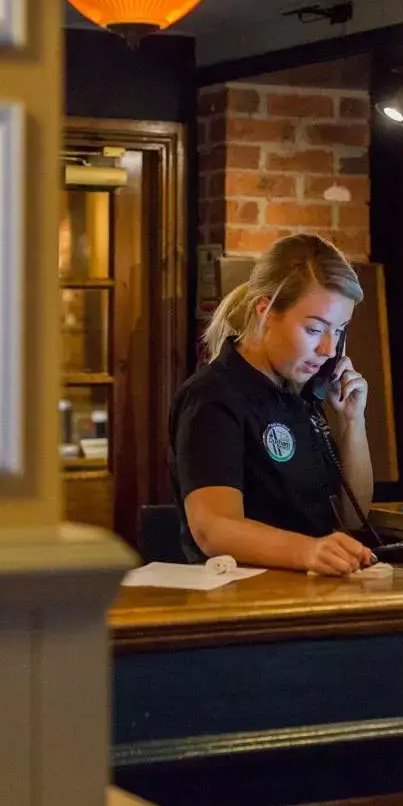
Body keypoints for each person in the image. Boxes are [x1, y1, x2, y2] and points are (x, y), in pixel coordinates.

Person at [170, 234, 376, 576]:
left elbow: (353, 517)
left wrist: (353, 423)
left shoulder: (301, 393)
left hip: (314, 591)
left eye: (339, 331)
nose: (328, 349)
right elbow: (213, 529)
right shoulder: (212, 396)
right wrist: (309, 551)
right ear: (265, 312)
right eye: (314, 329)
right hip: (242, 602)